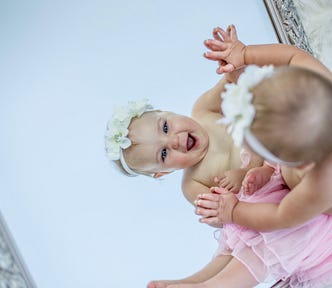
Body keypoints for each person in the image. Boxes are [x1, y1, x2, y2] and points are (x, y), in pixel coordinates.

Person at [147, 26, 332, 288]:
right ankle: (199, 280)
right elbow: (293, 57)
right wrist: (244, 54)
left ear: (300, 163)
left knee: (282, 236)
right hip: (296, 189)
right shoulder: (322, 91)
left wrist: (235, 211)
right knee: (251, 232)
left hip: (321, 220)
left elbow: (280, 216)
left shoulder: (320, 184)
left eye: (271, 156)